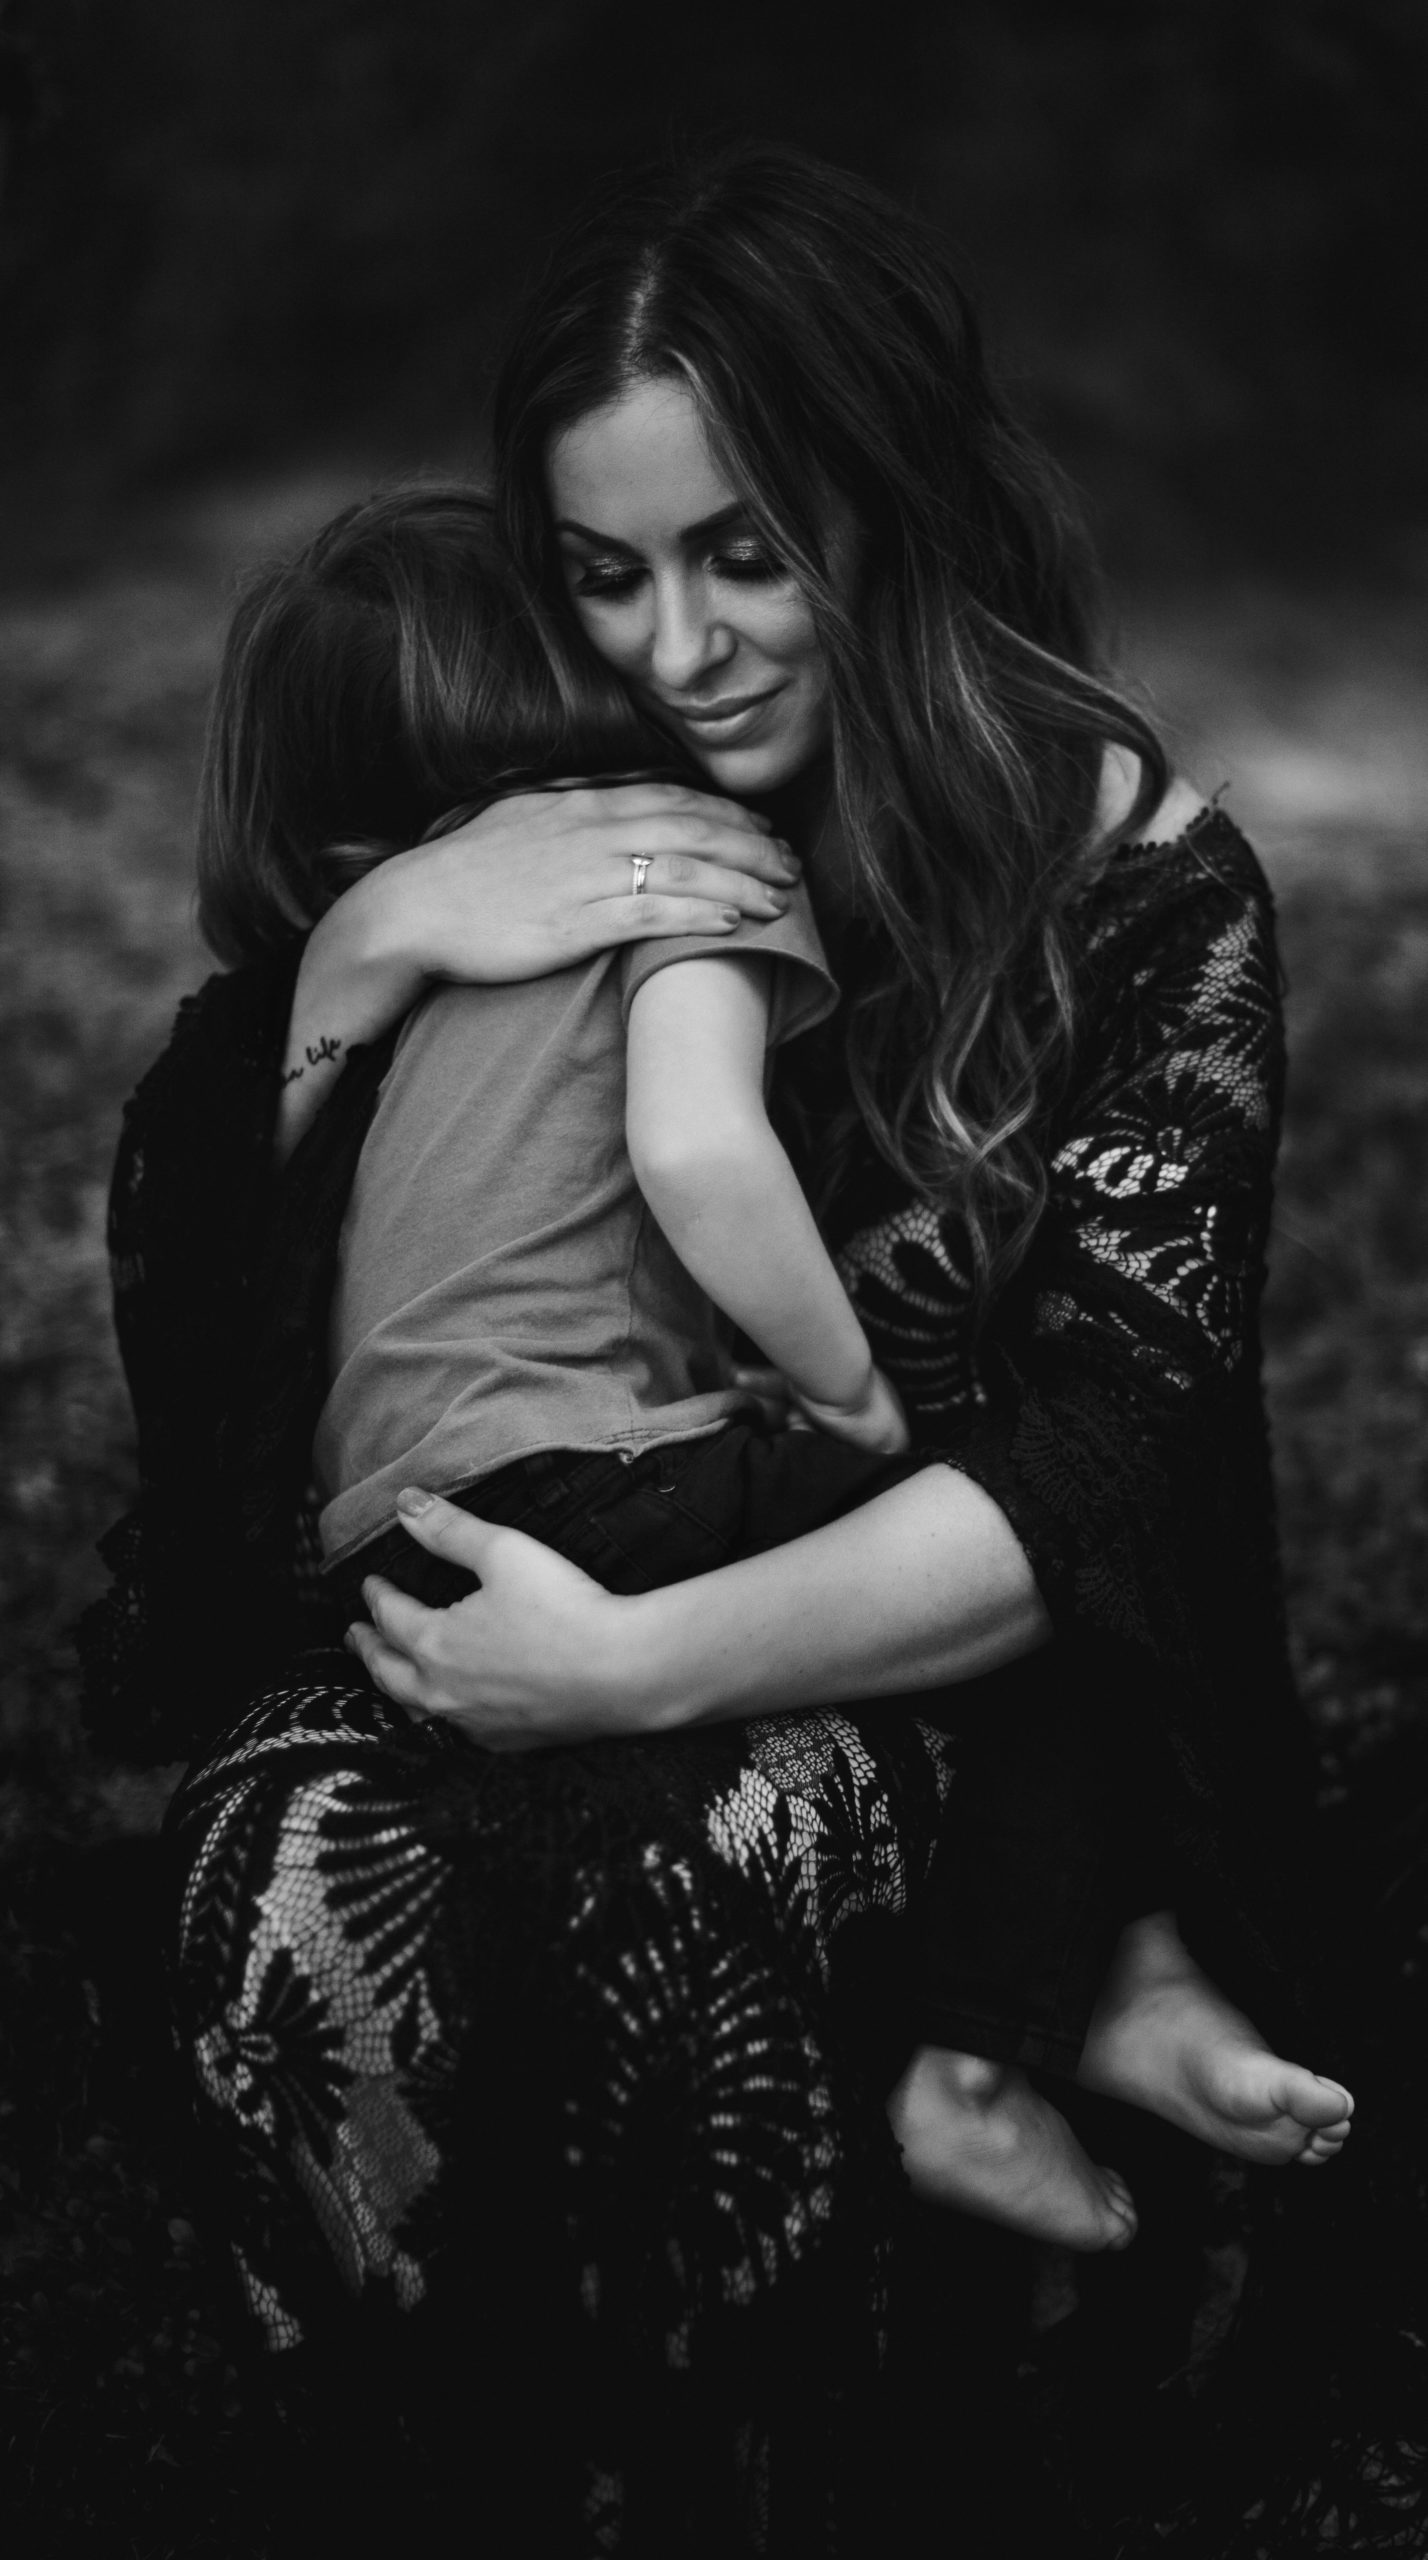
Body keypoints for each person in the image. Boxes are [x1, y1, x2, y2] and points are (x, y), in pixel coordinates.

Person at [83, 145, 1349, 2547]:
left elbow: (1098, 1484)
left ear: (898, 507)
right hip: (466, 1587)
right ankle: (452, 2470)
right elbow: (232, 1384)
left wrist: (637, 1665)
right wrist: (362, 969)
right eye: (607, 572)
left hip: (933, 1674)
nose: (678, 646)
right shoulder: (540, 830)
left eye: (748, 549)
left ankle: (741, 2462)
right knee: (297, 1913)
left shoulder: (1143, 891)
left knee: (679, 1873)